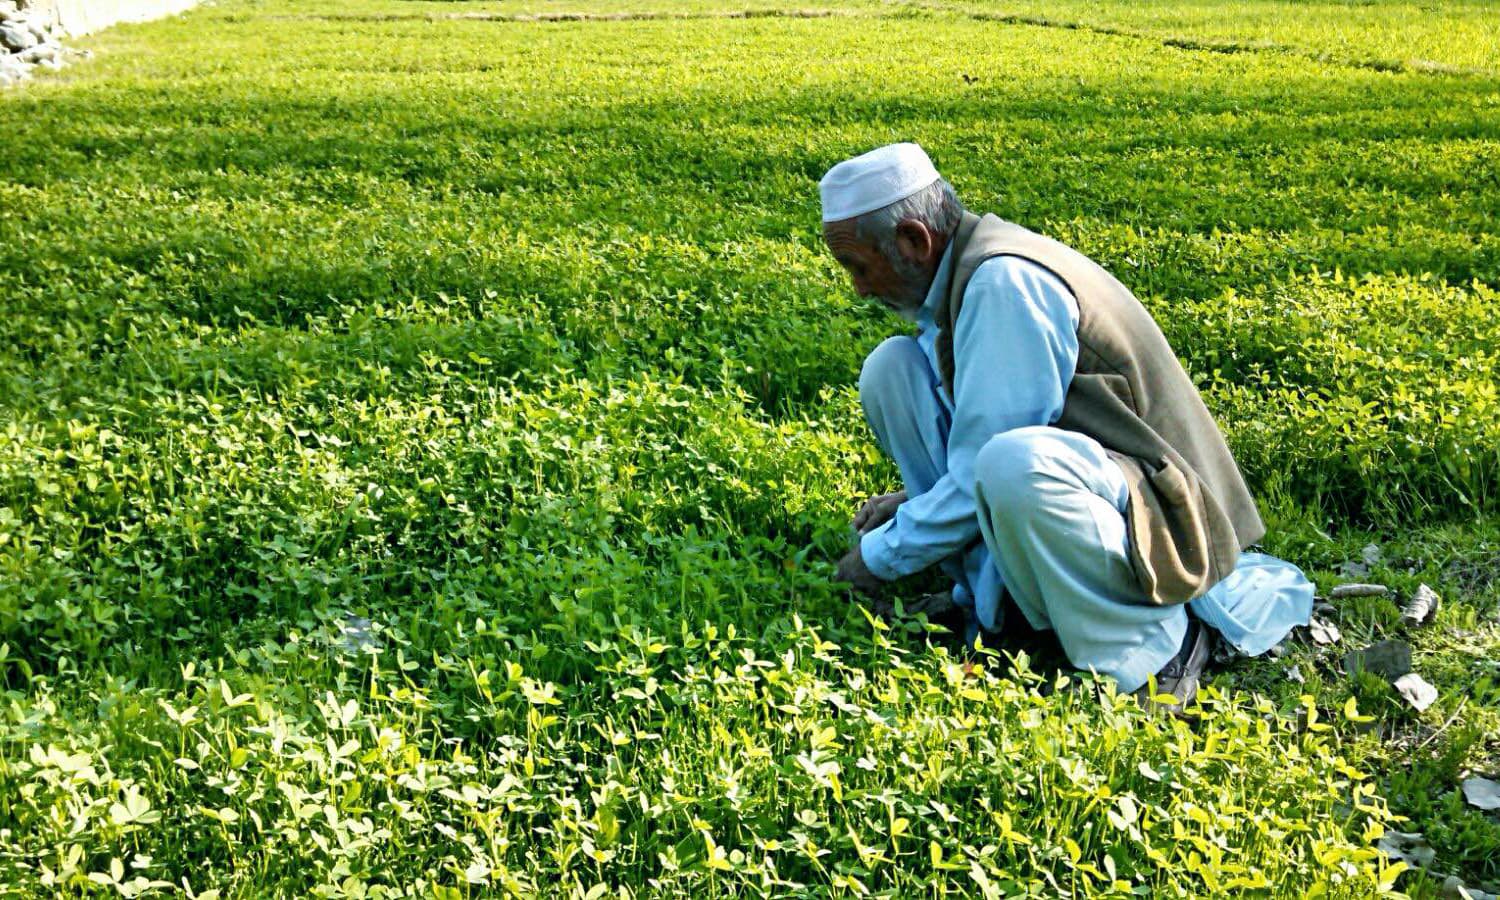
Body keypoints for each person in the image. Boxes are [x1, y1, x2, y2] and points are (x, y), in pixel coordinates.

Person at [822, 143, 1312, 708]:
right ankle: (997, 607)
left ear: (913, 240)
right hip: (1101, 484)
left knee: (1010, 466)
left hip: (1165, 509)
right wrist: (914, 501)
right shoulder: (966, 272)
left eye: (858, 267)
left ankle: (1159, 648)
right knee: (893, 370)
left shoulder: (1003, 283)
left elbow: (996, 455)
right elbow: (987, 416)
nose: (859, 288)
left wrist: (879, 557)